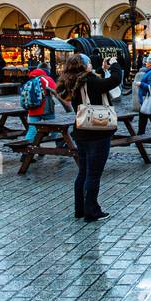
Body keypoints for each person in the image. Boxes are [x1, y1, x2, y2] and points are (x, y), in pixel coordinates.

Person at [56, 54, 122, 222]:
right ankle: (92, 211)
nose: (91, 66)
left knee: (83, 172)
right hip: (97, 132)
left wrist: (101, 69)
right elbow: (114, 80)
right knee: (93, 174)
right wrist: (114, 65)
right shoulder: (89, 81)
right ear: (84, 66)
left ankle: (80, 209)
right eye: (90, 64)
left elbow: (95, 85)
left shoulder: (71, 80)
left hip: (81, 131)